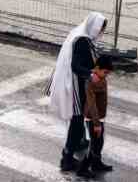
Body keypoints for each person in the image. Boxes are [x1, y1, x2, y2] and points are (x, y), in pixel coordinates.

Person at [48, 12, 107, 172]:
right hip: (75, 87)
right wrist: (91, 75)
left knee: (78, 122)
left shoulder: (80, 34)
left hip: (76, 85)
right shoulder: (82, 40)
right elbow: (76, 65)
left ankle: (78, 144)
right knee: (77, 122)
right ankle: (66, 159)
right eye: (100, 29)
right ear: (94, 27)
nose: (101, 32)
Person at [76, 56, 114, 178]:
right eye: (105, 72)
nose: (106, 75)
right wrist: (96, 124)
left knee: (100, 142)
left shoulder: (101, 78)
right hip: (93, 118)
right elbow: (91, 104)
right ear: (97, 68)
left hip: (100, 117)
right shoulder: (91, 82)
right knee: (95, 144)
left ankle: (96, 163)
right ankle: (82, 169)